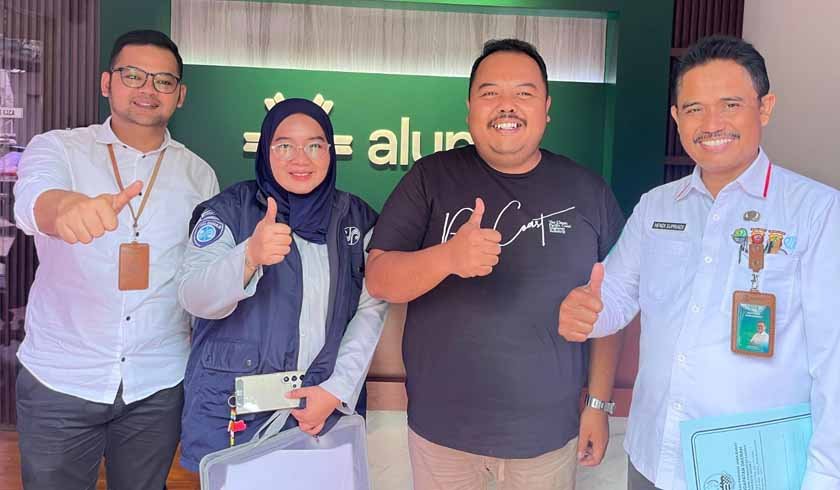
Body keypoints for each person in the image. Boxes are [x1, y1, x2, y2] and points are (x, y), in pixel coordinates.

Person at [558, 35, 840, 489]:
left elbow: (834, 360)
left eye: (730, 105)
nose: (711, 124)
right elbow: (614, 298)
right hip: (654, 456)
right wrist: (587, 311)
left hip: (757, 471)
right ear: (676, 118)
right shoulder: (656, 207)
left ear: (764, 108)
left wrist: (825, 476)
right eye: (694, 109)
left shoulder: (818, 212)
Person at [365, 39, 626, 489]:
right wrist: (448, 257)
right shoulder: (430, 178)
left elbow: (612, 307)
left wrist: (599, 405)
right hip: (442, 438)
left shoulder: (588, 191)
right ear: (470, 108)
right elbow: (379, 279)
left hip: (547, 439)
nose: (507, 105)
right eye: (490, 93)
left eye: (523, 93)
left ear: (546, 108)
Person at [13, 30, 218, 489]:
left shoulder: (199, 174)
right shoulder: (59, 148)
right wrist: (65, 208)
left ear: (180, 95)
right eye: (133, 75)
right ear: (107, 83)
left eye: (163, 81)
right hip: (61, 379)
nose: (148, 89)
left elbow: (200, 270)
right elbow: (32, 200)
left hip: (158, 382)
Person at [177, 98, 387, 471]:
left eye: (314, 145)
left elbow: (371, 310)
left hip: (320, 412)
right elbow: (193, 296)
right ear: (265, 150)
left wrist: (335, 390)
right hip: (236, 416)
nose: (300, 158)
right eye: (284, 145)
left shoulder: (357, 220)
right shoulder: (229, 211)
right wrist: (248, 256)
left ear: (330, 152)